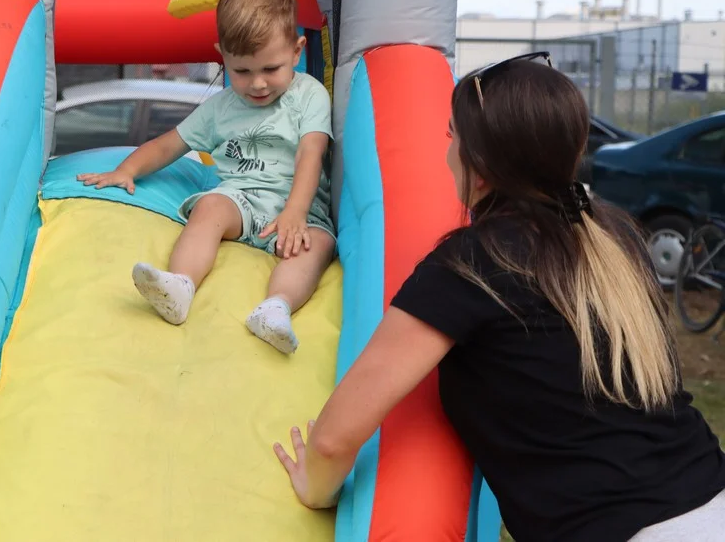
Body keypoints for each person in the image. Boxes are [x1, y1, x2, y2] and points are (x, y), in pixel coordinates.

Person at [272, 52, 725, 541]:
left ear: (481, 165)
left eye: (453, 137)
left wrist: (313, 488)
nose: (448, 154)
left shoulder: (473, 263)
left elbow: (337, 436)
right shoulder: (613, 235)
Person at [77, 0, 336, 354]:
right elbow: (169, 145)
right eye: (242, 71)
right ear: (223, 56)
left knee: (317, 245)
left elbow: (310, 152)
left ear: (297, 51)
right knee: (211, 206)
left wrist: (295, 213)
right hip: (241, 203)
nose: (258, 84)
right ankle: (180, 286)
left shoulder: (308, 94)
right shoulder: (220, 109)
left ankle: (276, 307)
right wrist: (126, 170)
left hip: (300, 208)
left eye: (271, 69)